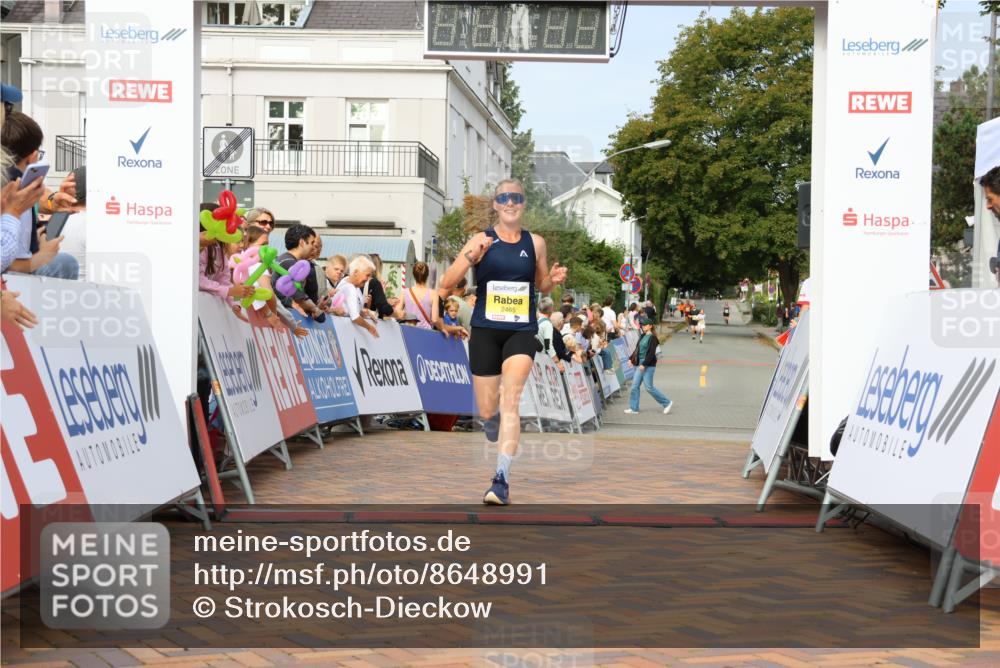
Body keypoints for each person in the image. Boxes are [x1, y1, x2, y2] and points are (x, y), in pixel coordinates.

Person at [438, 178, 567, 506]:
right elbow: (447, 282)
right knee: (487, 409)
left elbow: (541, 285)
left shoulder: (535, 243)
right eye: (504, 198)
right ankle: (491, 421)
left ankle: (501, 479)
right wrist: (471, 257)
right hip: (484, 330)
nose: (510, 203)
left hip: (521, 330)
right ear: (495, 204)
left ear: (523, 204)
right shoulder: (481, 239)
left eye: (517, 198)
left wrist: (550, 281)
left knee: (511, 400)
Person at [1, 111, 81, 278]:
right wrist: (40, 258)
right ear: (33, 156)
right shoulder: (9, 186)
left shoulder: (16, 182)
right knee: (65, 264)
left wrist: (52, 202)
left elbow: (40, 196)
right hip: (12, 279)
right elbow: (5, 262)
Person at [275, 223, 325, 321]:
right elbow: (299, 297)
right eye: (311, 243)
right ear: (302, 242)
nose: (313, 248)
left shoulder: (283, 260)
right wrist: (315, 309)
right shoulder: (291, 264)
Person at [624, 317, 673, 415]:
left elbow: (651, 354)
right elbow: (637, 349)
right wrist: (631, 359)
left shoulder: (653, 338)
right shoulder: (642, 336)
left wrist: (644, 364)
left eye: (645, 325)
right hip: (640, 364)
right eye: (642, 325)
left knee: (649, 388)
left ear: (650, 326)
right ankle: (634, 408)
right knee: (634, 386)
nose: (643, 326)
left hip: (649, 365)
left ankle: (667, 403)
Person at [335, 255, 379, 338]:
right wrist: (369, 327)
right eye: (367, 275)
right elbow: (354, 317)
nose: (369, 279)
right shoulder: (350, 288)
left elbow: (355, 310)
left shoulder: (353, 285)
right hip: (343, 333)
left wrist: (364, 312)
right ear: (355, 272)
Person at [396, 260, 436, 330]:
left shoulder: (405, 292)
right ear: (427, 275)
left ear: (414, 275)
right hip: (426, 333)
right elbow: (435, 319)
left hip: (409, 331)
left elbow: (397, 313)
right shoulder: (433, 294)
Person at [364, 253, 397, 319]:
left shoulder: (362, 281)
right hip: (372, 321)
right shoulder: (375, 283)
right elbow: (383, 308)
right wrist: (396, 314)